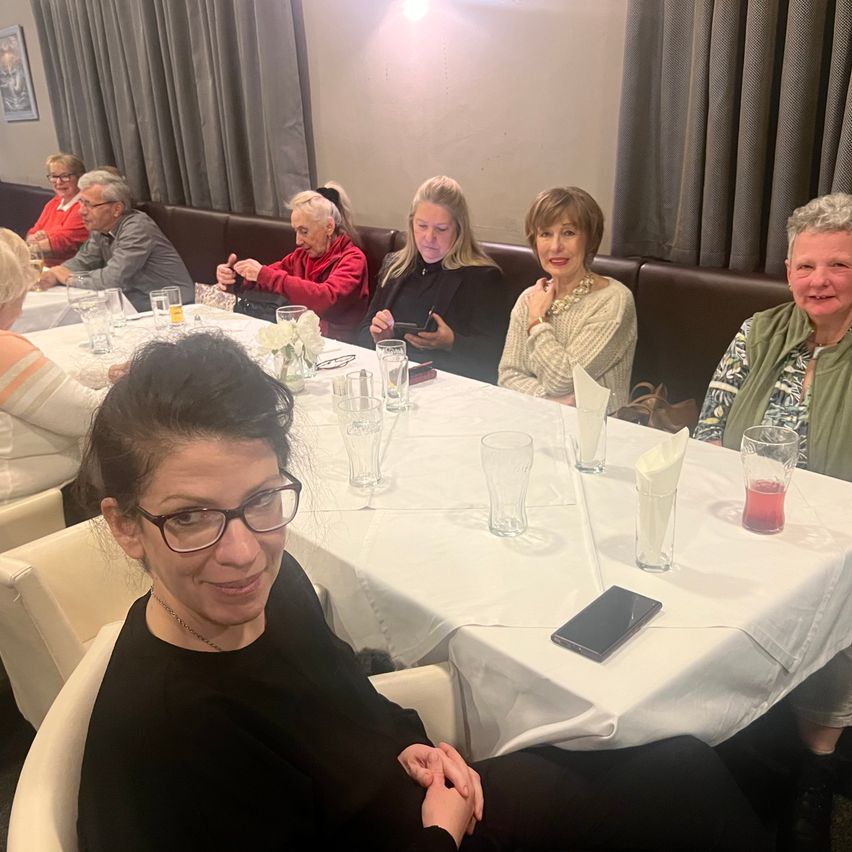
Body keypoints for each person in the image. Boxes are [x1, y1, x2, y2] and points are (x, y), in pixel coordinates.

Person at [75, 331, 771, 851]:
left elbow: (343, 700)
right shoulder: (168, 738)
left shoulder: (272, 585)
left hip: (419, 808)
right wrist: (439, 833)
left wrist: (410, 745)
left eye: (261, 499)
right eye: (190, 517)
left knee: (683, 768)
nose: (241, 552)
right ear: (127, 528)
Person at [695, 191, 852, 850]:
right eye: (805, 266)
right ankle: (718, 749)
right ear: (788, 271)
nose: (818, 280)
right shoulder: (758, 331)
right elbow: (708, 429)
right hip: (748, 521)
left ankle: (817, 766)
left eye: (839, 265)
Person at [355, 176, 506, 383]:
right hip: (394, 381)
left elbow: (495, 356)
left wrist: (452, 342)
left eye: (441, 229)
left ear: (459, 230)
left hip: (450, 388)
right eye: (422, 226)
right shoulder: (395, 266)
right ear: (411, 224)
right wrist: (382, 338)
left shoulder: (482, 277)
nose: (429, 237)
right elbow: (362, 332)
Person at [498, 187, 637, 413]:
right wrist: (549, 401)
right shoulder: (529, 298)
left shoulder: (614, 300)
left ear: (590, 240)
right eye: (545, 234)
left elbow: (563, 379)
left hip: (602, 436)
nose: (555, 247)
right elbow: (507, 377)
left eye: (569, 233)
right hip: (535, 423)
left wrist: (537, 322)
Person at [0, 229, 107, 505]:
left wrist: (107, 374)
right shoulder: (4, 349)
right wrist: (146, 376)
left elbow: (31, 392)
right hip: (33, 507)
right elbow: (91, 415)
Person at [216, 182, 368, 341]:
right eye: (296, 231)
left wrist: (265, 275)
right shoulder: (301, 256)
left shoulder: (353, 259)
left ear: (329, 226)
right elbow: (265, 280)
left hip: (340, 347)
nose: (298, 241)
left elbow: (325, 298)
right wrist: (235, 278)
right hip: (302, 340)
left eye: (304, 231)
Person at [37, 170, 194, 311]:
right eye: (81, 202)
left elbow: (112, 279)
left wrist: (68, 278)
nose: (81, 211)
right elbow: (83, 261)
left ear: (117, 209)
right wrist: (53, 274)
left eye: (89, 205)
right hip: (134, 302)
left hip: (172, 307)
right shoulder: (100, 228)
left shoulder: (138, 228)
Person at [26, 153, 89, 267]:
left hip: (68, 270)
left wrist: (26, 249)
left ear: (80, 177)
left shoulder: (84, 206)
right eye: (54, 176)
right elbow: (32, 233)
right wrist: (36, 239)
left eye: (65, 176)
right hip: (44, 267)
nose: (58, 182)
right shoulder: (53, 203)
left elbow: (63, 243)